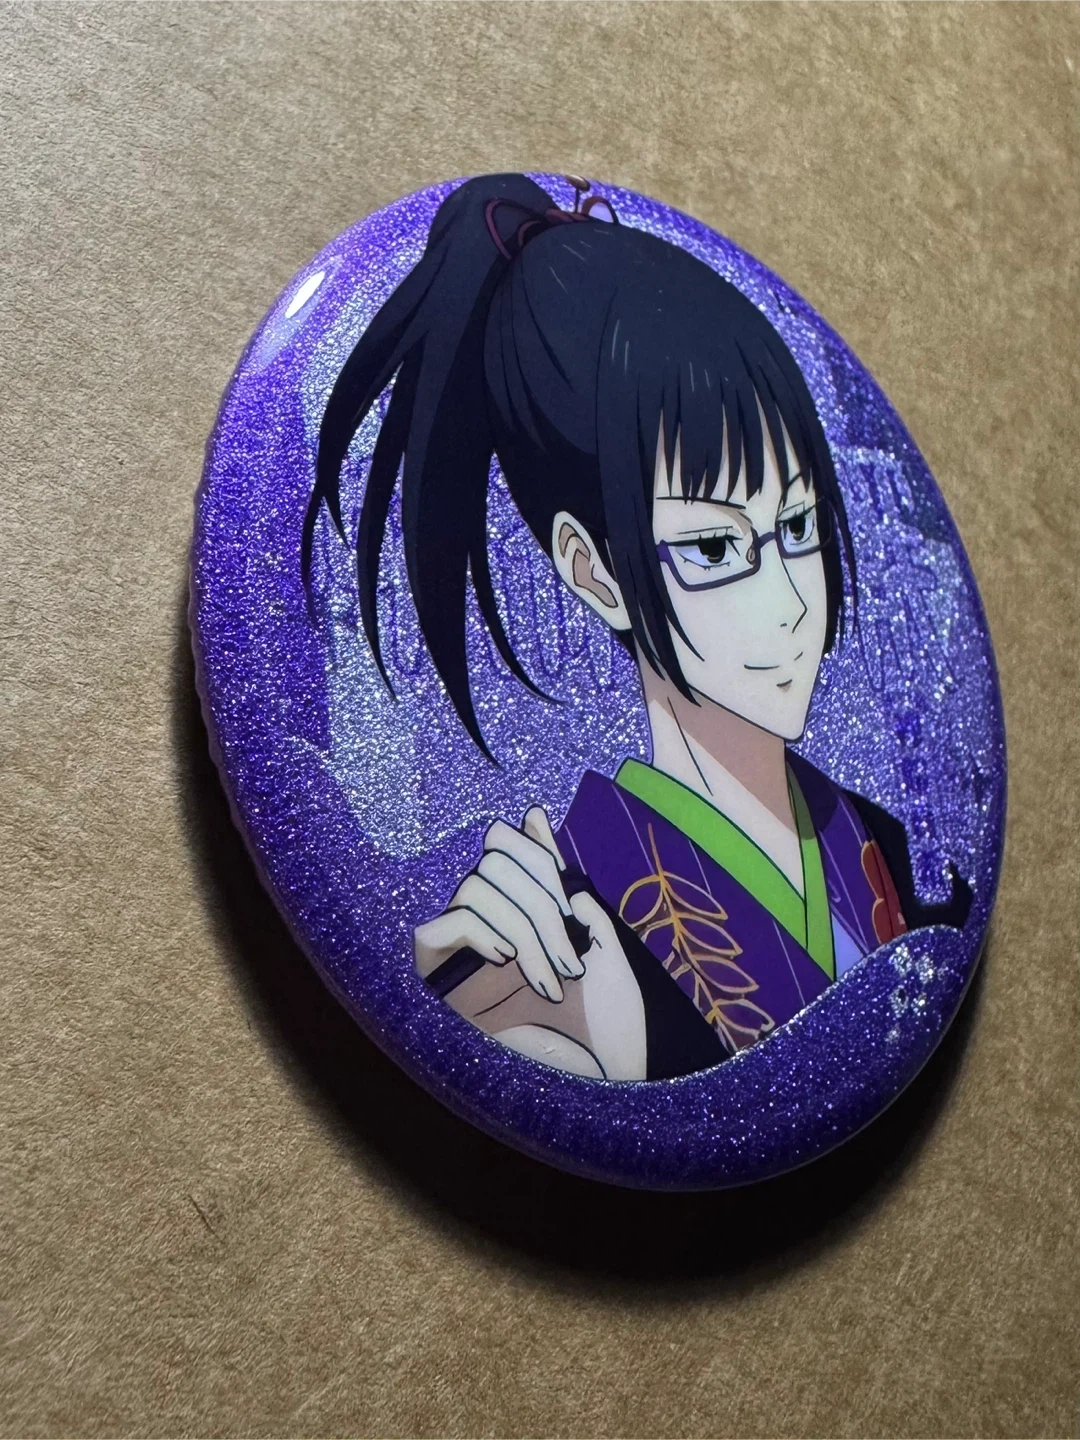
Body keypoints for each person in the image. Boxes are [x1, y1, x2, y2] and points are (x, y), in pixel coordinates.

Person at [304, 173, 970, 1082]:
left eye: (799, 528)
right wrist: (495, 1034)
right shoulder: (569, 943)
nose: (789, 602)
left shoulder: (882, 849)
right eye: (714, 549)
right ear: (595, 573)